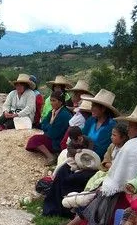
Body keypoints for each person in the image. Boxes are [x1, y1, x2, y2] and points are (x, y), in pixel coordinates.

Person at [39, 102, 137, 225]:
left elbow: (116, 180)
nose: (129, 128)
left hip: (134, 199)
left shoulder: (133, 144)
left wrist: (104, 187)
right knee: (97, 196)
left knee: (100, 201)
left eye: (131, 125)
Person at [41, 89, 119, 218]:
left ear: (103, 109)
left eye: (94, 106)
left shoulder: (111, 126)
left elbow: (102, 148)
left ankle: (69, 210)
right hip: (81, 157)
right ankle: (54, 207)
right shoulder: (91, 122)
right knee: (62, 171)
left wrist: (86, 151)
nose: (92, 108)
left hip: (96, 162)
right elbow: (80, 138)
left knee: (73, 178)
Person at [26, 92, 72, 165]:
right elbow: (43, 124)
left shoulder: (64, 115)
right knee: (32, 142)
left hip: (58, 141)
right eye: (51, 100)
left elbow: (52, 133)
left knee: (34, 140)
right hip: (51, 136)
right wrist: (49, 126)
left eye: (54, 101)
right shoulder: (52, 112)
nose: (51, 103)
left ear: (60, 102)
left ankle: (51, 156)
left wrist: (48, 126)